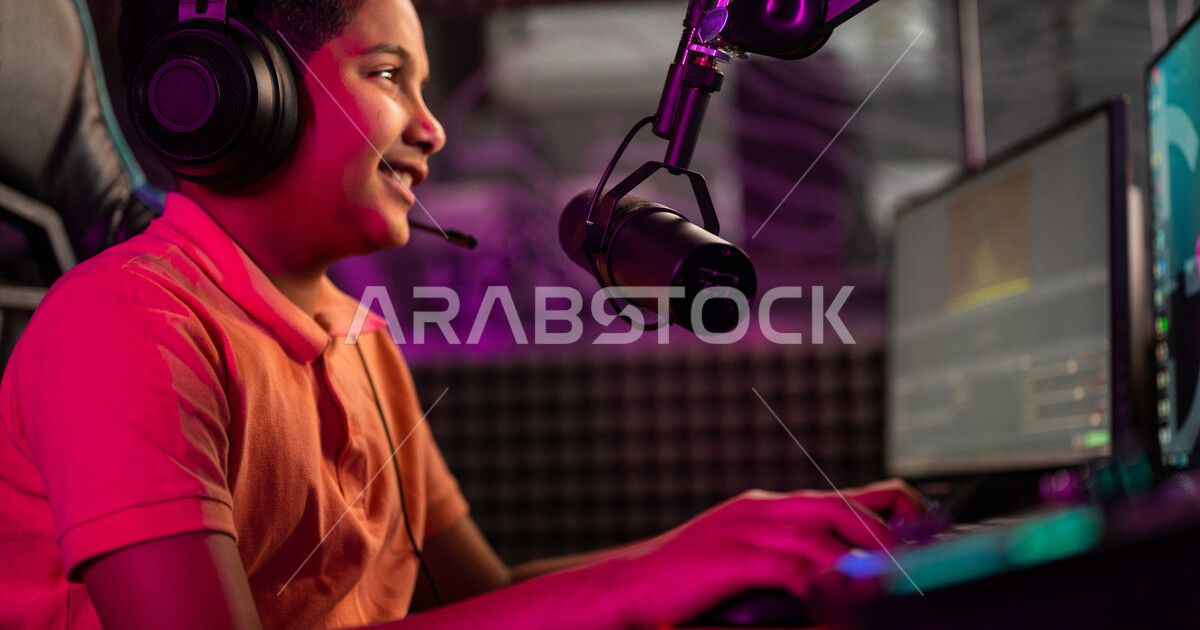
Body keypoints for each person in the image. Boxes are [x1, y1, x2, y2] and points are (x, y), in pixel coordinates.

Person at [0, 0, 924, 628]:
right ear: (236, 100)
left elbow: (478, 601)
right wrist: (647, 581)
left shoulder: (353, 336)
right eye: (390, 74)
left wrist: (726, 541)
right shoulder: (127, 325)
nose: (430, 124)